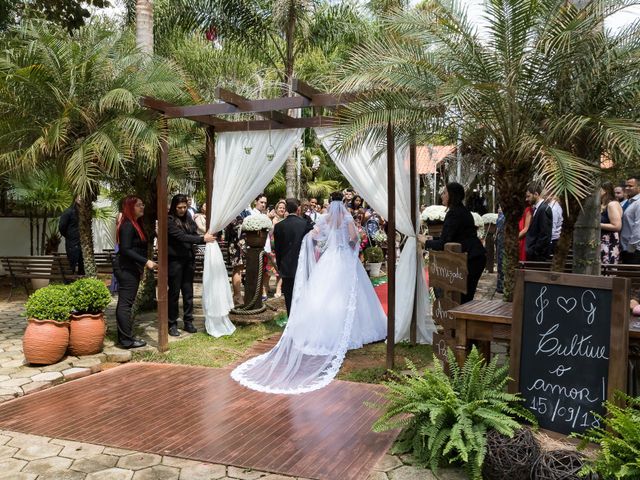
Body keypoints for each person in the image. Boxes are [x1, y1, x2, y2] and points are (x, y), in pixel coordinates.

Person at [231, 192, 387, 394]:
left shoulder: (326, 218)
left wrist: (324, 246)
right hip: (345, 259)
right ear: (344, 202)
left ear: (330, 203)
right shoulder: (347, 217)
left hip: (329, 258)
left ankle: (323, 330)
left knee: (324, 296)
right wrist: (349, 249)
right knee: (352, 295)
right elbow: (354, 238)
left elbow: (312, 237)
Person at [422, 182, 486, 303]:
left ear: (452, 195)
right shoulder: (461, 210)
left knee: (462, 299)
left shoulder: (454, 213)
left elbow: (443, 244)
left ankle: (461, 321)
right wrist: (431, 239)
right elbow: (451, 238)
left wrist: (425, 242)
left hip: (472, 259)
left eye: (445, 192)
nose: (442, 195)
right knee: (462, 299)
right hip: (474, 257)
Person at [167, 194, 216, 336]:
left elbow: (193, 233)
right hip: (174, 261)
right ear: (174, 207)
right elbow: (182, 237)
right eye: (179, 207)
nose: (182, 210)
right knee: (174, 293)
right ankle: (172, 323)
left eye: (184, 207)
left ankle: (188, 321)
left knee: (188, 292)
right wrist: (202, 239)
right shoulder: (169, 220)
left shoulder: (188, 218)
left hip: (188, 259)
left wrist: (202, 237)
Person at [114, 196, 156, 349]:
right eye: (139, 205)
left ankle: (125, 338)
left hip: (131, 268)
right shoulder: (127, 226)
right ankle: (126, 341)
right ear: (130, 207)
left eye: (142, 204)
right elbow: (125, 249)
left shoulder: (135, 224)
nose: (142, 207)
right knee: (125, 304)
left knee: (126, 304)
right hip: (126, 268)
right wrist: (146, 261)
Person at [272, 198, 314, 314]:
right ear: (298, 209)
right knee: (302, 294)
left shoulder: (279, 226)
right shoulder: (305, 224)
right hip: (301, 265)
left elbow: (277, 249)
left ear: (286, 209)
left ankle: (291, 317)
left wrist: (280, 265)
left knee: (289, 296)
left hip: (285, 265)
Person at [525, 183, 553, 261]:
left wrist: (535, 251)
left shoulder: (543, 209)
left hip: (538, 256)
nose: (526, 199)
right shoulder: (539, 208)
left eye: (528, 196)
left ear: (536, 194)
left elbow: (545, 234)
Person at [59, 198, 85, 275]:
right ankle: (69, 283)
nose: (81, 199)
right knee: (71, 265)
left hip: (83, 244)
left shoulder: (84, 212)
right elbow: (61, 227)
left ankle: (81, 284)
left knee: (83, 267)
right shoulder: (68, 212)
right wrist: (70, 236)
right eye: (79, 196)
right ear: (75, 198)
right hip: (72, 244)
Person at [600, 181, 622, 265]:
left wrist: (596, 225)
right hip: (601, 242)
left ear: (604, 190)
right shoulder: (602, 204)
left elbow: (617, 226)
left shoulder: (612, 204)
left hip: (608, 242)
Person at [621, 175, 640, 264]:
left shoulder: (638, 203)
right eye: (626, 186)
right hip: (623, 248)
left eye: (630, 186)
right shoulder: (625, 202)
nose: (627, 188)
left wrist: (631, 248)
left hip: (634, 250)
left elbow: (638, 226)